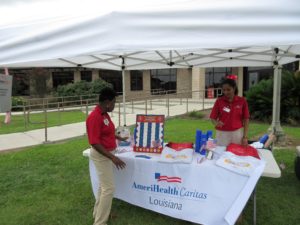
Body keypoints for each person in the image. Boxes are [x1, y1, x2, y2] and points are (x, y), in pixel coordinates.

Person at [86, 87, 127, 225]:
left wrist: (119, 137)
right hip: (101, 155)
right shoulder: (94, 117)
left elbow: (107, 132)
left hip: (108, 154)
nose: (115, 105)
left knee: (103, 187)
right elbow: (95, 142)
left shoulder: (105, 114)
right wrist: (112, 157)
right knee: (109, 189)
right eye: (114, 102)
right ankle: (100, 222)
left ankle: (98, 213)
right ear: (107, 102)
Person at [209, 78, 250, 147]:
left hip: (237, 134)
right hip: (222, 134)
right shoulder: (219, 101)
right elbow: (212, 118)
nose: (226, 92)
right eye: (224, 90)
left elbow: (246, 119)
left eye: (228, 89)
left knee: (235, 155)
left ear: (234, 88)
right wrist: (216, 123)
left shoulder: (242, 101)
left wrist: (245, 137)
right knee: (221, 154)